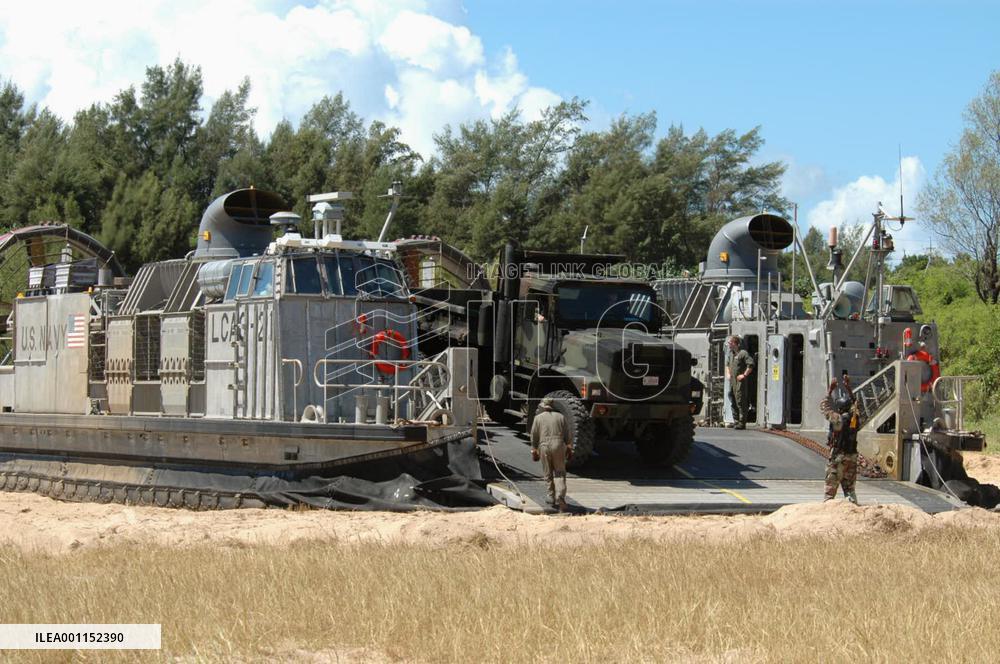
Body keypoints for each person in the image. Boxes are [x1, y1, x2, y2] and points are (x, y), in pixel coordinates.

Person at [820, 375, 860, 504]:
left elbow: (824, 406)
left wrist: (830, 390)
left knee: (830, 490)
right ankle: (853, 510)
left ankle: (827, 508)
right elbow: (855, 403)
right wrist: (848, 388)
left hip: (838, 457)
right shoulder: (856, 418)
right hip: (852, 457)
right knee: (849, 490)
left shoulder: (836, 419)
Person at [530, 396, 574, 511]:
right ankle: (560, 495)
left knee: (548, 473)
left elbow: (534, 435)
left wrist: (534, 449)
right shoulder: (561, 417)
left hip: (544, 446)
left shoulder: (538, 418)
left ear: (543, 407)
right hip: (559, 445)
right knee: (560, 472)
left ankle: (550, 496)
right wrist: (569, 448)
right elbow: (567, 435)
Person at [726, 335, 754, 429]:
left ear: (735, 343)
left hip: (740, 382)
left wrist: (744, 375)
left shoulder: (743, 353)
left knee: (740, 401)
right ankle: (736, 421)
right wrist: (728, 373)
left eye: (730, 343)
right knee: (732, 400)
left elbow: (750, 365)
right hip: (732, 381)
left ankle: (742, 423)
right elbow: (727, 364)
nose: (728, 344)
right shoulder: (731, 353)